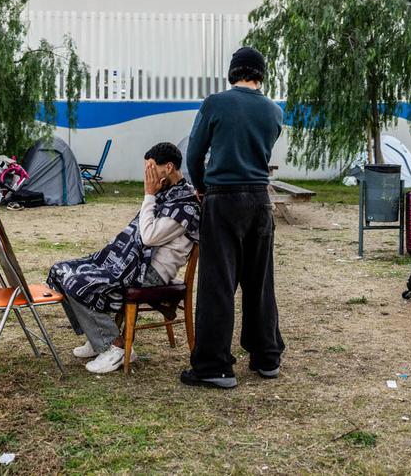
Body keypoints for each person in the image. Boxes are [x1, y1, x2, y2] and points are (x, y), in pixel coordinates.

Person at [47, 142, 200, 374]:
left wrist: (149, 195)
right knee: (61, 271)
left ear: (168, 167)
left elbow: (148, 236)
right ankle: (97, 335)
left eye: (151, 168)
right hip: (133, 264)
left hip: (152, 273)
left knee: (78, 281)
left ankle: (113, 346)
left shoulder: (185, 205)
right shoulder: (166, 193)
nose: (148, 176)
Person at [181, 46, 284, 389]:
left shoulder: (215, 103)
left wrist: (200, 187)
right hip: (259, 200)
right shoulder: (274, 111)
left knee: (218, 283)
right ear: (261, 74)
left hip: (222, 198)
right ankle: (266, 357)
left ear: (232, 72)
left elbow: (194, 153)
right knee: (259, 282)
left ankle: (214, 366)